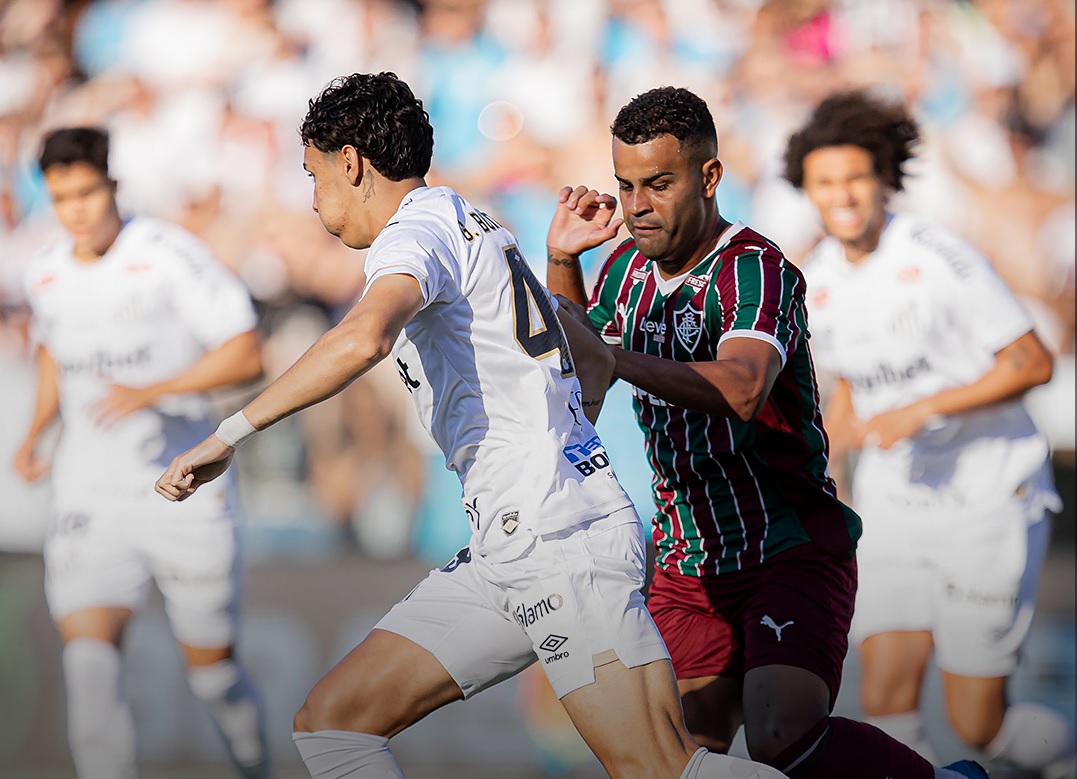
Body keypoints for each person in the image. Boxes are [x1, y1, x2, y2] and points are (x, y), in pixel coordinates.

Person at [154, 71, 786, 779]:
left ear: (351, 164)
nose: (314, 199)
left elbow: (363, 338)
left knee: (658, 769)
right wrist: (560, 266)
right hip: (511, 538)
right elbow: (578, 374)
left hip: (555, 536)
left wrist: (228, 434)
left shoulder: (413, 234)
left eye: (313, 175)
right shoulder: (472, 221)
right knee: (333, 723)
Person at [545, 84, 993, 779]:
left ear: (709, 176)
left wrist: (617, 359)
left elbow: (742, 387)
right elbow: (577, 378)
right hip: (688, 560)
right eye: (625, 186)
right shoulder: (624, 269)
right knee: (675, 752)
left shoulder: (754, 267)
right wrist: (563, 262)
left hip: (786, 543)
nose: (636, 206)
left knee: (780, 730)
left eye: (658, 184)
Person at [784, 89, 1075, 778]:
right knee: (885, 699)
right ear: (807, 189)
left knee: (978, 723)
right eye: (825, 182)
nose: (842, 194)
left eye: (856, 177)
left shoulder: (939, 257)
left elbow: (1031, 362)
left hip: (988, 497)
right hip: (896, 503)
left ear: (883, 178)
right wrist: (826, 463)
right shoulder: (814, 279)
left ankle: (1060, 758)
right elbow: (849, 387)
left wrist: (921, 409)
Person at [14, 127, 270, 779]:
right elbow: (55, 354)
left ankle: (256, 765)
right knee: (89, 669)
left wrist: (153, 389)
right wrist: (36, 431)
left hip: (182, 489)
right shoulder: (45, 272)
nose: (75, 210)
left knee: (214, 679)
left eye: (87, 192)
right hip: (90, 497)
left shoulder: (167, 256)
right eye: (61, 197)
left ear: (113, 186)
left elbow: (247, 352)